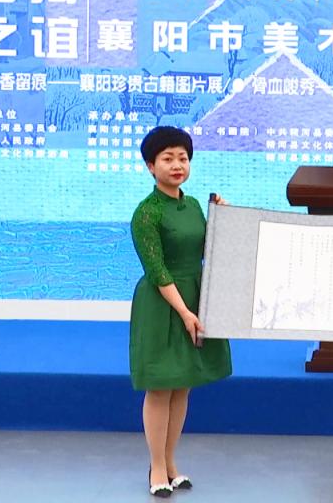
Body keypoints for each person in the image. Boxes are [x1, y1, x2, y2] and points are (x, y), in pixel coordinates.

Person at [129, 125, 232, 498]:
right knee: (161, 386)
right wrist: (185, 312)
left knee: (182, 385)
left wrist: (224, 219)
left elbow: (211, 251)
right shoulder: (146, 213)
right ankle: (156, 467)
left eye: (183, 158)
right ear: (150, 166)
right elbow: (157, 271)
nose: (177, 165)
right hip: (163, 304)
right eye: (168, 158)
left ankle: (171, 463)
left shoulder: (193, 206)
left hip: (195, 295)